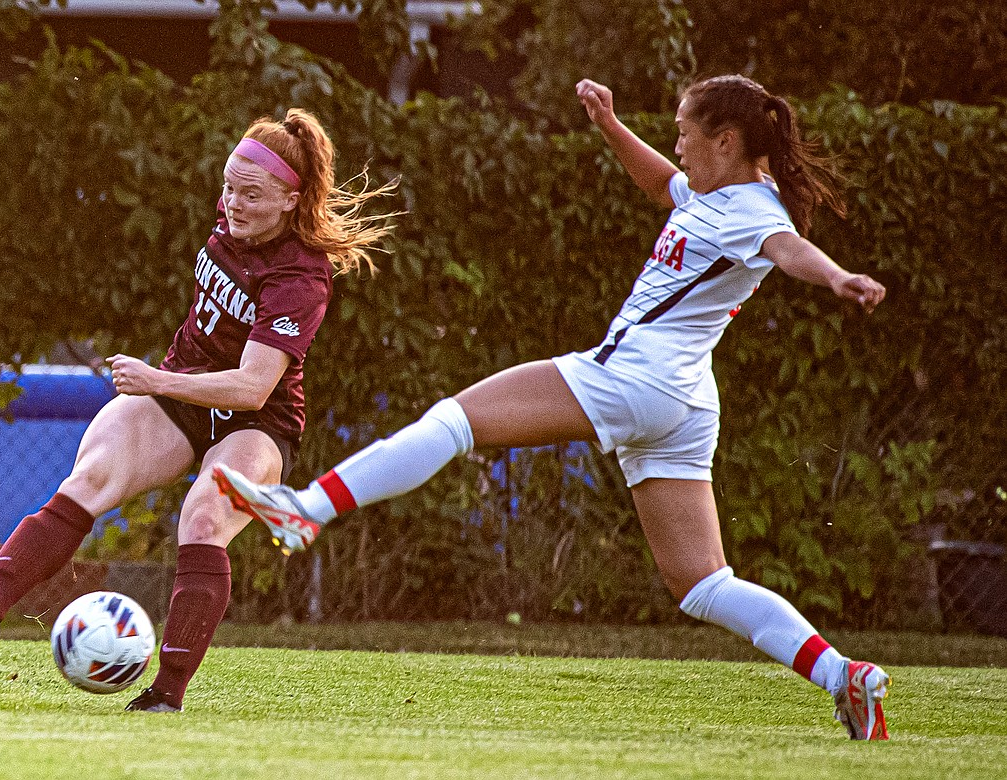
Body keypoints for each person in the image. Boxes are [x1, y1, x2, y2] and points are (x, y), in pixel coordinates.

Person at [212, 75, 892, 740]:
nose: (678, 146)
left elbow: (788, 248)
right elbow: (662, 184)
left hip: (634, 376)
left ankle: (307, 511)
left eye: (685, 134)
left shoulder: (752, 210)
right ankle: (843, 675)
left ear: (727, 139)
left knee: (453, 422)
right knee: (702, 583)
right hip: (683, 400)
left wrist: (838, 277)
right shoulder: (717, 192)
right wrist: (607, 123)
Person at [0, 108, 397, 713]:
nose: (233, 203)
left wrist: (154, 378)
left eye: (251, 194)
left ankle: (166, 694)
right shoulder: (231, 225)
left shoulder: (301, 276)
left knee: (203, 519)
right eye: (228, 186)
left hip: (258, 421)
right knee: (89, 479)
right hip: (180, 396)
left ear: (290, 202)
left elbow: (252, 387)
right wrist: (166, 384)